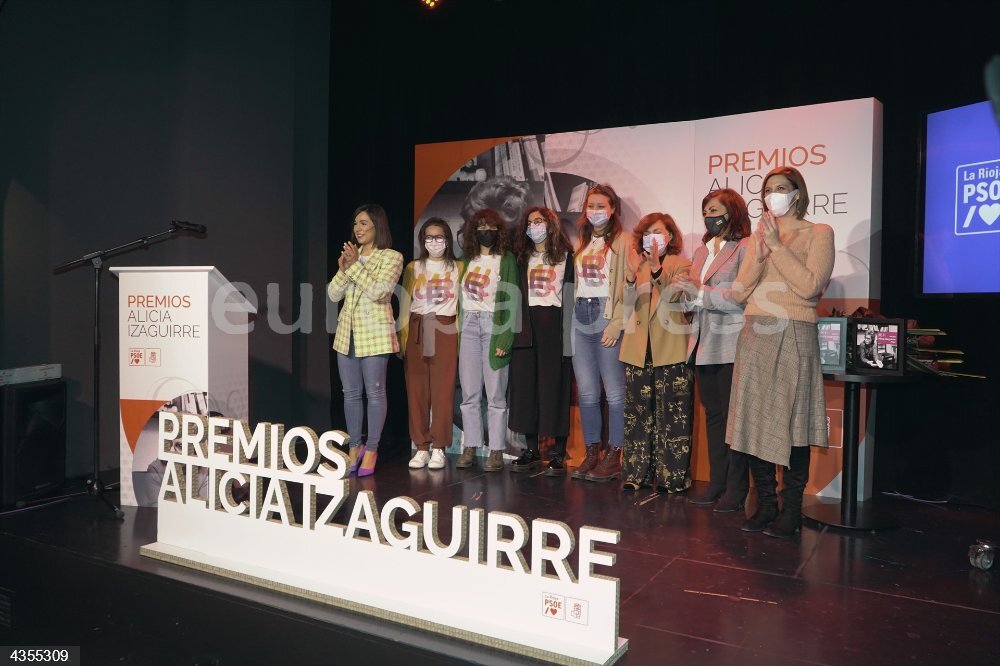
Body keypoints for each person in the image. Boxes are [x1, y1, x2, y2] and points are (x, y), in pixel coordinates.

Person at [728, 166, 835, 538]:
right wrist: (761, 248)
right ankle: (765, 506)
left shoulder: (819, 233)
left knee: (793, 423)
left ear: (797, 193)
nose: (774, 195)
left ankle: (791, 511)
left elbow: (809, 286)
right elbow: (740, 292)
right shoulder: (757, 238)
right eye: (768, 190)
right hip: (756, 331)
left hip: (794, 329)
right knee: (755, 422)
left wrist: (777, 246)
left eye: (782, 188)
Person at [677, 189, 752, 511]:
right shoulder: (699, 251)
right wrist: (684, 293)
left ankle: (737, 490)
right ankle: (717, 483)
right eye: (706, 209)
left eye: (716, 209)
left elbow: (740, 297)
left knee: (735, 421)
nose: (710, 215)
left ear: (732, 212)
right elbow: (689, 301)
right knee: (714, 418)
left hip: (732, 344)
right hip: (702, 344)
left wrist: (700, 291)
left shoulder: (745, 247)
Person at [327, 204, 404, 477]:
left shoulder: (391, 257)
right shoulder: (352, 258)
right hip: (347, 334)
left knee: (375, 392)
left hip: (375, 334)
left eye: (364, 224)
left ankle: (372, 448)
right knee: (350, 394)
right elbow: (333, 294)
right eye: (356, 224)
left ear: (377, 227)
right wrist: (344, 268)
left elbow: (378, 292)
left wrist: (355, 266)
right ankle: (354, 446)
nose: (358, 229)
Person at [619, 212, 693, 493]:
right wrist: (629, 275)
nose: (653, 238)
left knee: (672, 416)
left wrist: (657, 270)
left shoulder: (681, 264)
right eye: (647, 233)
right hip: (638, 349)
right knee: (637, 415)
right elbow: (625, 304)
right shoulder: (635, 265)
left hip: (670, 350)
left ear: (670, 237)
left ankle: (671, 477)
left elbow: (674, 297)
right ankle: (635, 473)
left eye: (658, 232)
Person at [508, 207, 574, 476]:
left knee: (554, 387)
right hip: (526, 327)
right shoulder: (521, 259)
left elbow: (569, 298)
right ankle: (531, 449)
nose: (534, 226)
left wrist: (568, 340)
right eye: (530, 222)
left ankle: (558, 452)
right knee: (525, 389)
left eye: (540, 221)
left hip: (554, 327)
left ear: (551, 225)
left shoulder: (567, 257)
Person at [570, 184, 628, 482]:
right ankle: (592, 451)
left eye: (600, 206)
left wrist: (617, 321)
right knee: (588, 392)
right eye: (590, 206)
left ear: (613, 209)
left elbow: (630, 285)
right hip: (580, 314)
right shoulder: (581, 241)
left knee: (615, 392)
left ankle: (615, 454)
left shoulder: (623, 241)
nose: (595, 211)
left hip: (607, 313)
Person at [456, 208, 519, 472]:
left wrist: (505, 338)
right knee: (469, 393)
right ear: (474, 231)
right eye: (481, 227)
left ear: (499, 231)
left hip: (494, 326)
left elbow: (512, 301)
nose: (486, 232)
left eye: (492, 228)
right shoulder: (467, 259)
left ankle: (496, 449)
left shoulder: (506, 260)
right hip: (469, 324)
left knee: (495, 395)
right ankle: (470, 445)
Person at [399, 218, 462, 470]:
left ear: (447, 239)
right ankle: (421, 446)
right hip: (417, 326)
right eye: (429, 237)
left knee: (443, 391)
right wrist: (402, 337)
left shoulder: (459, 267)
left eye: (439, 237)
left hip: (445, 327)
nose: (434, 242)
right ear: (422, 240)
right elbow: (404, 304)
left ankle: (439, 447)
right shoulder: (414, 267)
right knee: (416, 391)